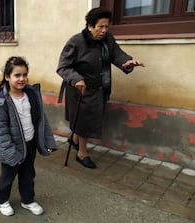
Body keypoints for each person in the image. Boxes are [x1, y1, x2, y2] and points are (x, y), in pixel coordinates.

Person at [57, 7, 144, 169]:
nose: (104, 30)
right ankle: (82, 153)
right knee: (84, 121)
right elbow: (63, 67)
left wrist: (127, 62)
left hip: (99, 88)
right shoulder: (76, 42)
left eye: (107, 27)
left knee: (86, 119)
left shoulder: (107, 40)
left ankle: (74, 140)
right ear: (90, 26)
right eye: (100, 27)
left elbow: (117, 54)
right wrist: (77, 79)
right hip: (80, 88)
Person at [0, 56, 57, 216]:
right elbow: (0, 131)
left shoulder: (32, 95)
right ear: (7, 77)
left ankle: (27, 200)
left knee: (28, 175)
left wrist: (47, 140)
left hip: (30, 144)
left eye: (24, 75)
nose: (22, 79)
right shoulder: (1, 101)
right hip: (11, 148)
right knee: (7, 176)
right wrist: (12, 152)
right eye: (17, 75)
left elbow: (42, 120)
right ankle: (2, 200)